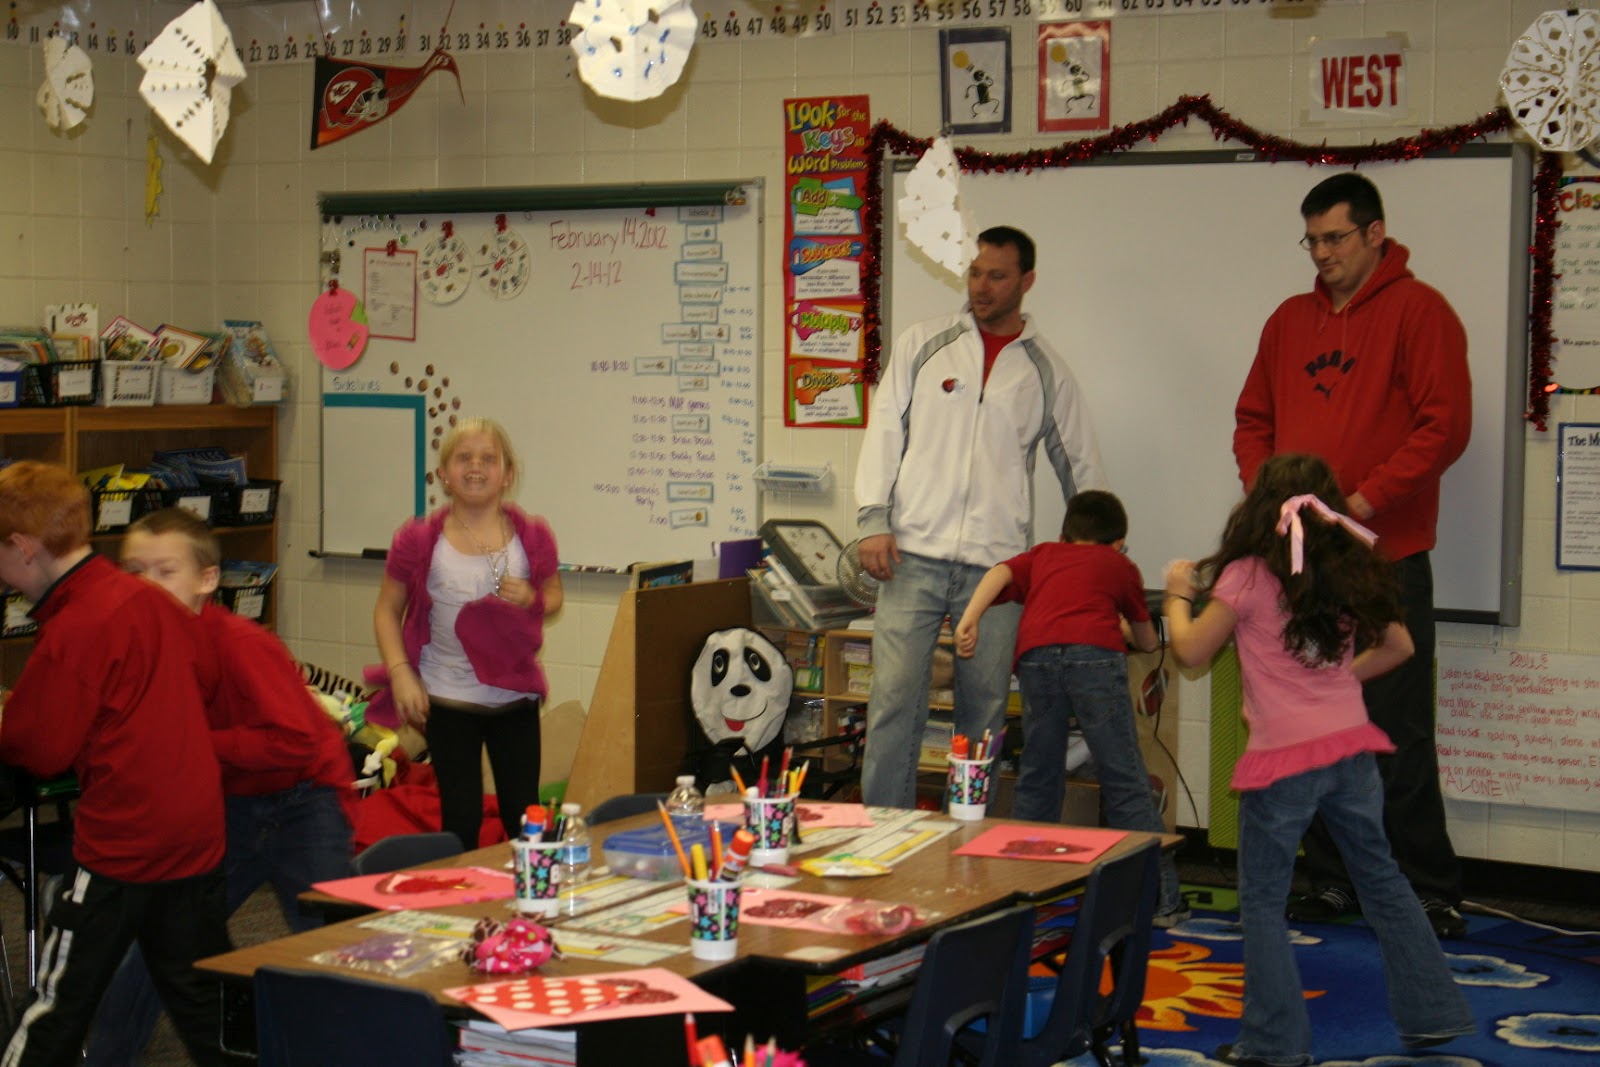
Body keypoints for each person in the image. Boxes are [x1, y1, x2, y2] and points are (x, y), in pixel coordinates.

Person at [1164, 453, 1473, 1067]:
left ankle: (1274, 1044)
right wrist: (1333, 689)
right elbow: (1400, 647)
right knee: (1383, 880)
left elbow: (1192, 652)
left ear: (1260, 509)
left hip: (1283, 762)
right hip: (1349, 746)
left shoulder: (1247, 574)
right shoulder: (1344, 569)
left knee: (1261, 901)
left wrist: (1176, 596)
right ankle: (1434, 1014)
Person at [1233, 171, 1471, 939]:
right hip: (1304, 562)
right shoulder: (1287, 320)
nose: (1322, 253)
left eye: (1335, 237)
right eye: (1312, 239)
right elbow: (1251, 420)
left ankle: (1429, 887)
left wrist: (1359, 505)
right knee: (1313, 722)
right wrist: (1272, 499)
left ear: (1375, 233)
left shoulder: (1420, 311)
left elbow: (1444, 426)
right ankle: (1333, 879)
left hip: (1384, 554)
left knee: (1395, 725)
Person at [84, 507, 356, 1065]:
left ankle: (370, 1047)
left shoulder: (240, 644)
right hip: (227, 807)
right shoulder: (137, 647)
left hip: (302, 804)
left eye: (166, 571)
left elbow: (294, 743)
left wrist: (194, 743)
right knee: (154, 940)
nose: (148, 585)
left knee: (336, 949)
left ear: (207, 579)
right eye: (134, 570)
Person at [853, 225, 1106, 809]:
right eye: (975, 273)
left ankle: (967, 835)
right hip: (910, 555)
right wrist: (872, 517)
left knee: (985, 711)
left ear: (1027, 281)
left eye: (997, 276)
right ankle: (881, 830)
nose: (981, 287)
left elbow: (1082, 469)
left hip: (996, 572)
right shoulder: (924, 342)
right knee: (892, 701)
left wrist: (1097, 558)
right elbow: (885, 429)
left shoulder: (1046, 371)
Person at [0, 462, 231, 1066]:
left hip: (126, 843)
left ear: (23, 548)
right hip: (194, 830)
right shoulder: (143, 599)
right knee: (208, 1005)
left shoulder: (79, 623)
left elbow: (40, 748)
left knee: (57, 1006)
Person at [955, 489, 1186, 925]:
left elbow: (1001, 572)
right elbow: (1148, 640)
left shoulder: (1044, 553)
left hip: (1037, 658)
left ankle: (1023, 891)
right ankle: (1161, 900)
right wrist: (1124, 628)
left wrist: (970, 617)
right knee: (1125, 778)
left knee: (1039, 773)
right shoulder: (1120, 565)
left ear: (1065, 533)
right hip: (1094, 659)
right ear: (1119, 542)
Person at [372, 417, 563, 849]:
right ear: (444, 474)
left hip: (514, 700)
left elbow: (554, 596)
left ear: (507, 474)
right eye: (464, 458)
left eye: (488, 459)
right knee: (460, 816)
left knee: (524, 817)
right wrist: (401, 673)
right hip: (447, 698)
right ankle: (458, 904)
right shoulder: (419, 540)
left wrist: (533, 598)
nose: (475, 467)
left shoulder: (531, 536)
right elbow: (387, 609)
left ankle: (530, 903)